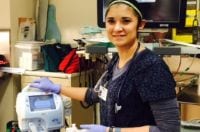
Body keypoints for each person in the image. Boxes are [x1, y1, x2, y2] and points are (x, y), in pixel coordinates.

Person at [30, 0, 180, 131]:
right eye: (111, 21)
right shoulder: (116, 61)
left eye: (126, 21)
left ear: (140, 24)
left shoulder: (151, 67)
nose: (117, 28)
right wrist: (57, 88)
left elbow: (169, 129)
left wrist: (111, 131)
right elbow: (96, 94)